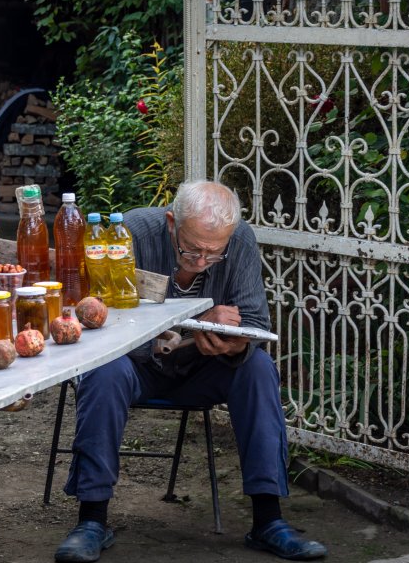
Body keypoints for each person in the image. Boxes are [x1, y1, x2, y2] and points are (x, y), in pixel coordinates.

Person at [54, 180, 327, 562]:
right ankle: (92, 520)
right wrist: (193, 320)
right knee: (102, 372)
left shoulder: (239, 240)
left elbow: (255, 320)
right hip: (136, 364)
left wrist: (236, 340)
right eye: (191, 249)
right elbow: (99, 316)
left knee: (258, 368)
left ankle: (269, 520)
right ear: (171, 223)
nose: (200, 261)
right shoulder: (127, 235)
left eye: (212, 255)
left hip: (202, 367)